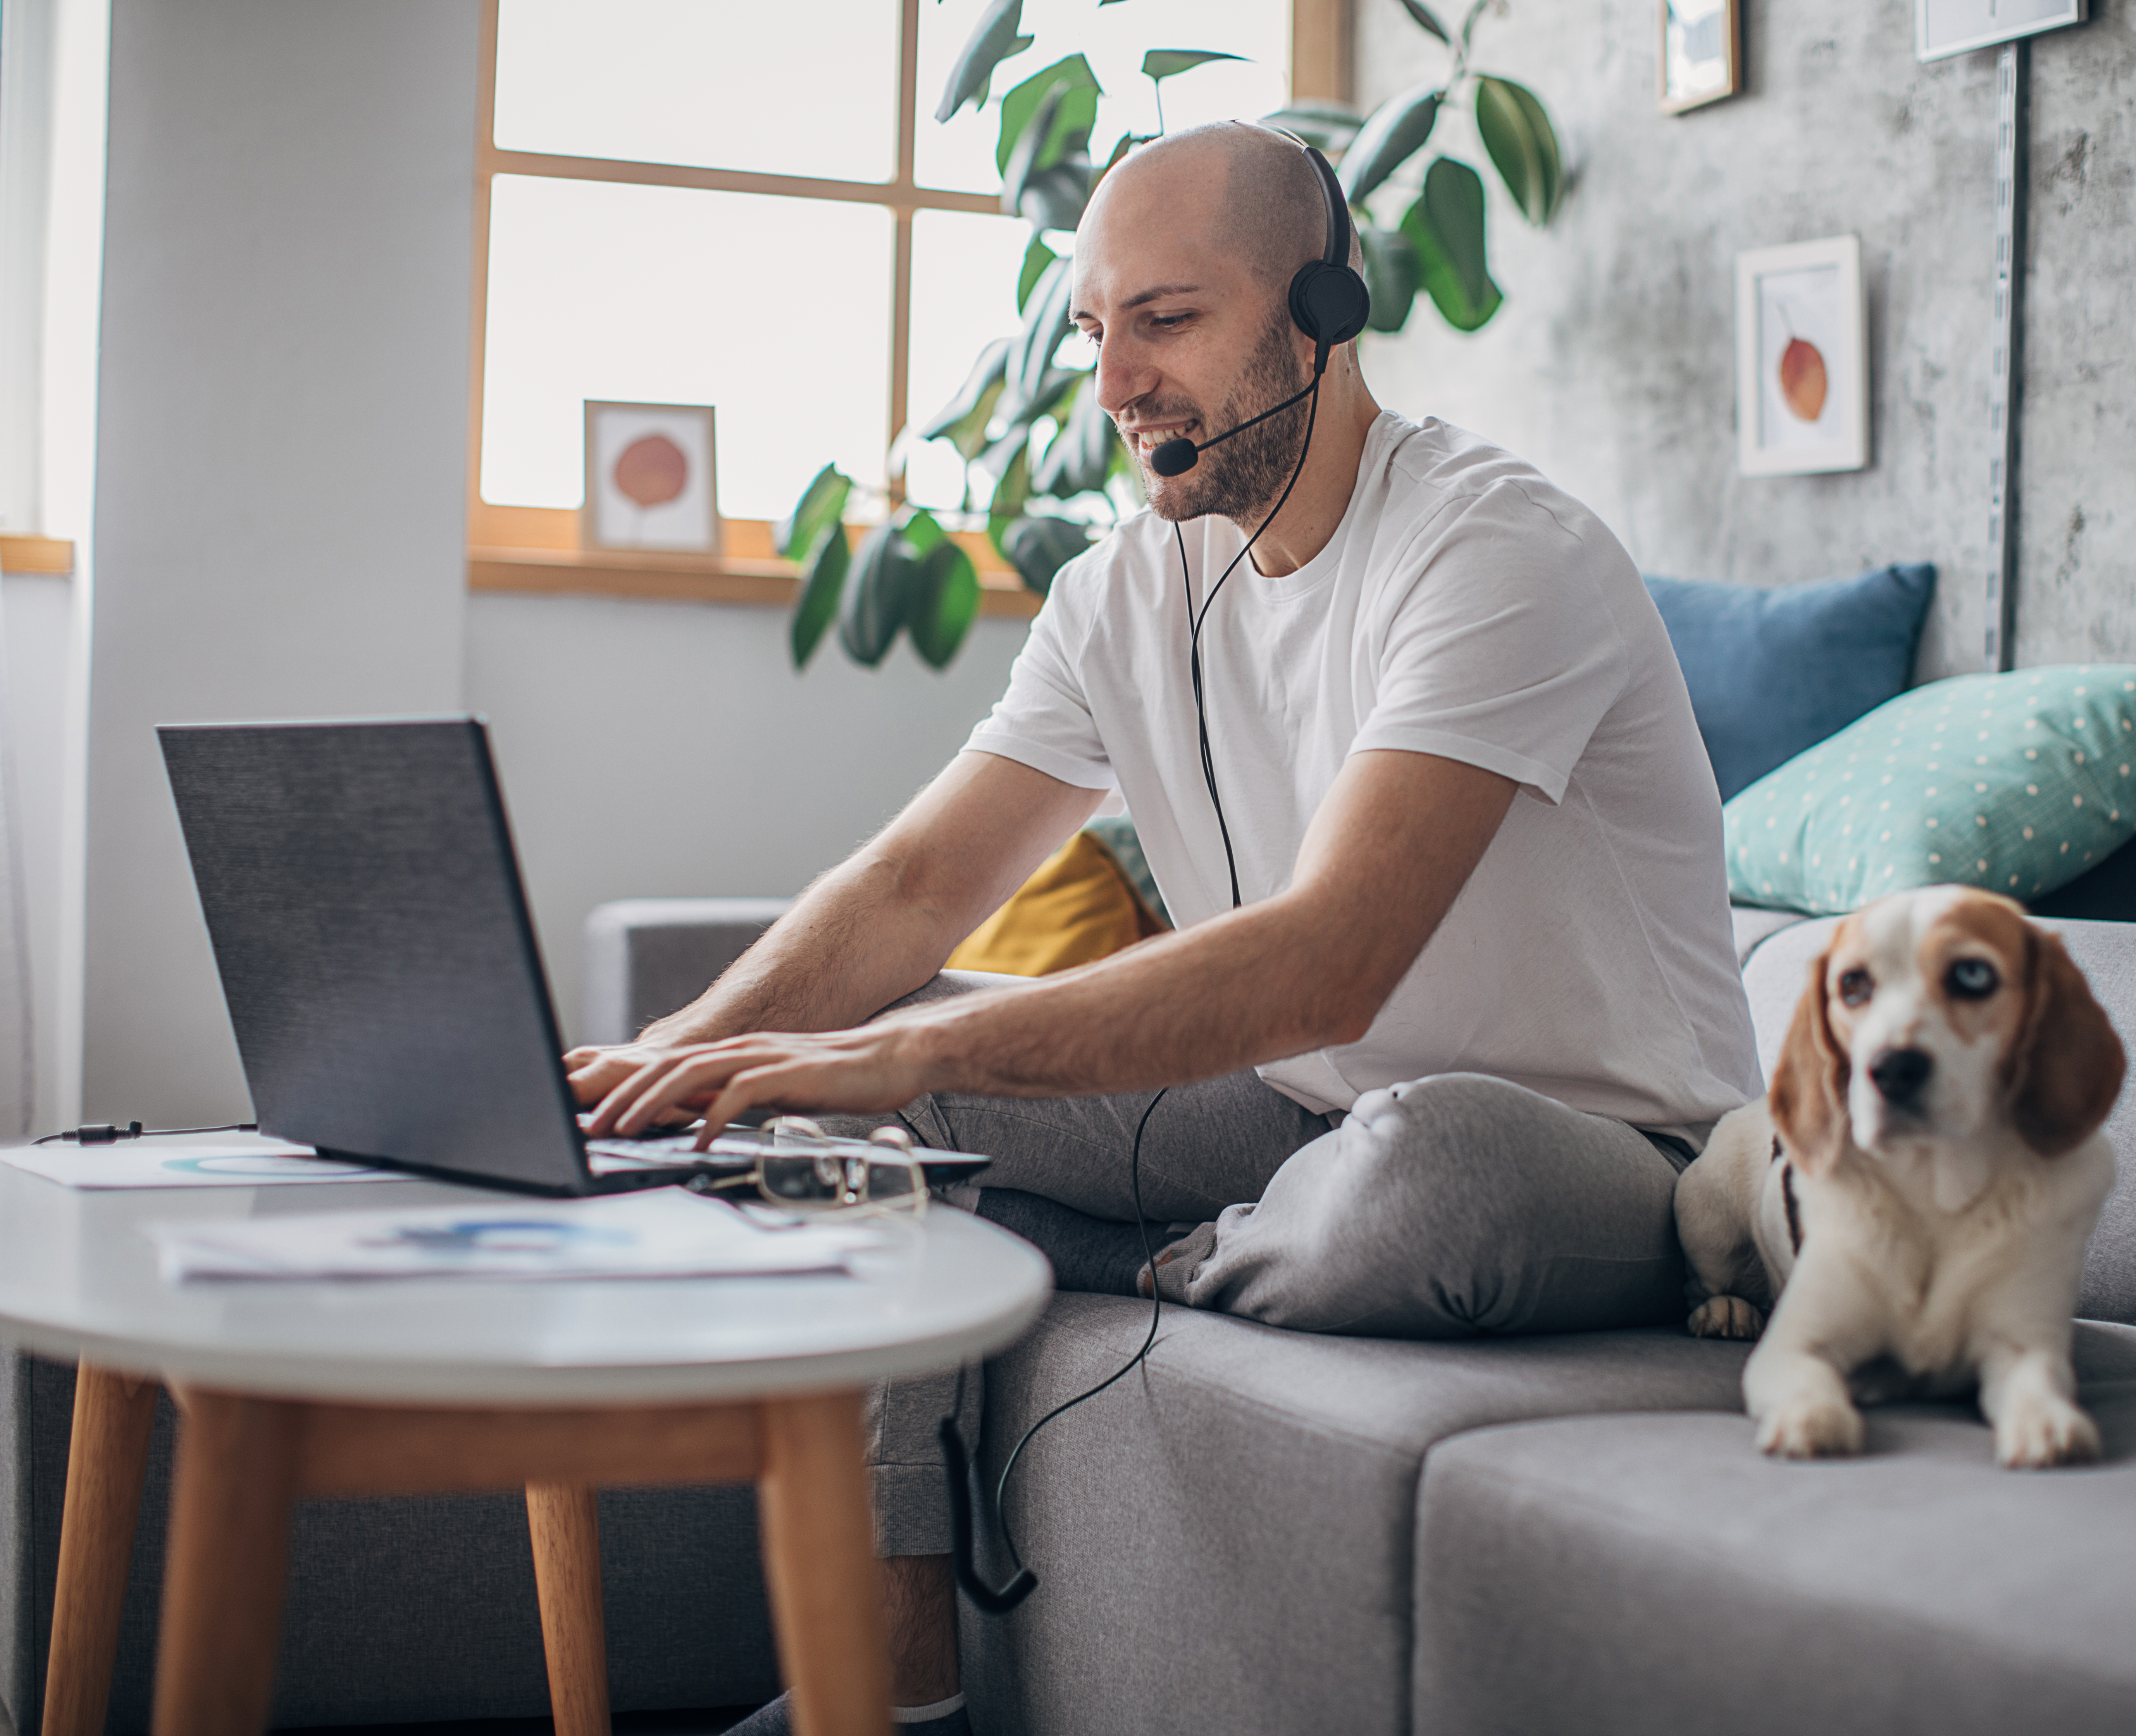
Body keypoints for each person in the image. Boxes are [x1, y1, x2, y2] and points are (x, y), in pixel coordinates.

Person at [566, 121, 1759, 1736]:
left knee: (1423, 1175)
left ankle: (1109, 1249)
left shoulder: (1493, 549)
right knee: (850, 1102)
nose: (1117, 381)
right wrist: (678, 1056)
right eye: (1094, 329)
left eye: (1170, 319)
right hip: (1294, 1125)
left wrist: (910, 1038)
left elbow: (1334, 955)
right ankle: (893, 1701)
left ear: (1322, 308)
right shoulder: (1124, 591)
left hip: (1615, 1155)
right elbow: (922, 883)